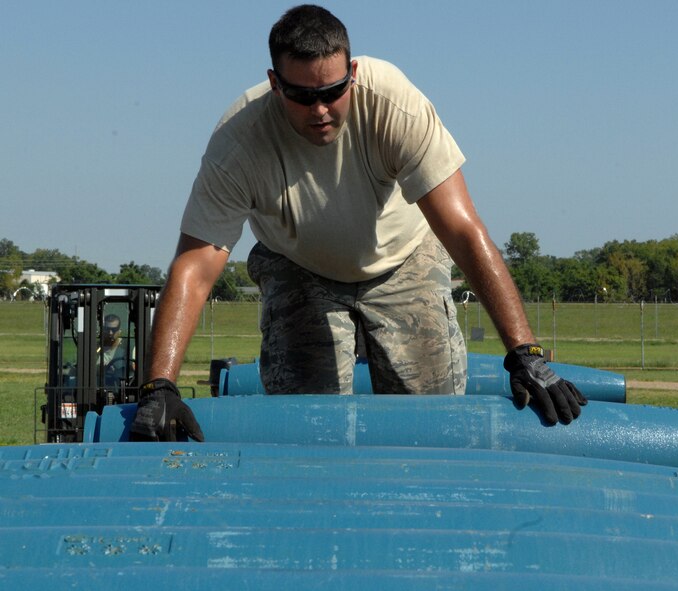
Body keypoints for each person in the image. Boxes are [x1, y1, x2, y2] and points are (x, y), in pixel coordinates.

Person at [129, 4, 586, 443]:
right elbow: (194, 267)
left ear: (354, 73)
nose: (321, 110)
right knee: (307, 423)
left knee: (431, 422)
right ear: (274, 84)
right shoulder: (239, 144)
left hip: (402, 257)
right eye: (303, 97)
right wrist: (159, 386)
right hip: (298, 264)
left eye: (332, 92)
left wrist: (524, 351)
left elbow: (463, 229)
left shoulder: (393, 105)